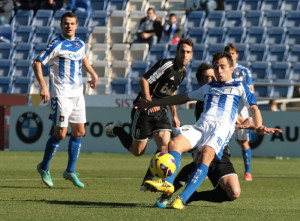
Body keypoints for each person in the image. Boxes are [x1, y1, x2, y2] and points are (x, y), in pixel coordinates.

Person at [136, 51, 282, 209]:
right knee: (175, 143)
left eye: (223, 67)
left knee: (206, 154)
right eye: (216, 67)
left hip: (221, 129)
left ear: (231, 69)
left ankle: (182, 199)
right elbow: (183, 97)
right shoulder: (208, 87)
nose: (219, 70)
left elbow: (254, 108)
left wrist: (258, 124)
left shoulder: (240, 87)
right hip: (201, 126)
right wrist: (153, 102)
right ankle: (168, 184)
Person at [105, 38, 194, 190]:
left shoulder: (183, 73)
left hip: (161, 111)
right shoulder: (166, 65)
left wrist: (175, 115)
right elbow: (144, 81)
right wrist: (148, 101)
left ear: (191, 55)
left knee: (165, 147)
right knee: (138, 151)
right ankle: (117, 129)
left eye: (188, 52)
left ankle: (148, 182)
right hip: (144, 109)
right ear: (177, 52)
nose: (184, 55)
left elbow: (172, 92)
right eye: (182, 51)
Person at [32, 12, 98, 188]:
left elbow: (83, 58)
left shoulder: (80, 43)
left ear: (77, 25)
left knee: (79, 132)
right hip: (60, 94)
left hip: (78, 95)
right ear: (61, 25)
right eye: (66, 23)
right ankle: (44, 167)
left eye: (72, 23)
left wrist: (93, 73)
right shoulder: (56, 44)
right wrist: (44, 86)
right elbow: (37, 63)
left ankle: (70, 171)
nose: (69, 26)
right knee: (60, 134)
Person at [225, 43, 254, 181]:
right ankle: (212, 168)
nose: (230, 55)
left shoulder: (244, 71)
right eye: (228, 53)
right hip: (225, 109)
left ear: (236, 54)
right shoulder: (222, 70)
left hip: (241, 111)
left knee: (243, 142)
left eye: (232, 53)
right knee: (221, 141)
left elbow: (251, 91)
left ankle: (247, 172)